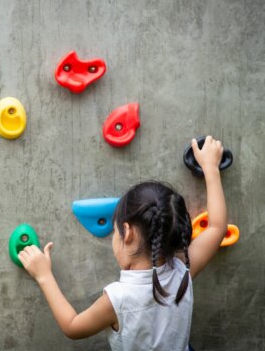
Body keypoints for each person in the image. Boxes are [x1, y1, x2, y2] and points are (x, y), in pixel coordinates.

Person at [19, 136, 228, 351]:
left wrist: (44, 275)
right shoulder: (182, 271)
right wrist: (211, 167)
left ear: (126, 232)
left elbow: (73, 327)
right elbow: (217, 228)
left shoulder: (117, 299)